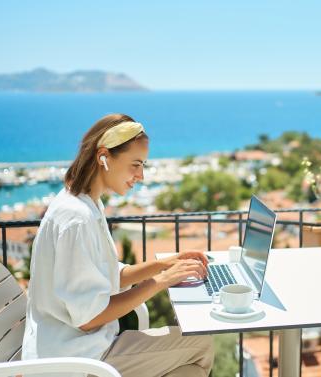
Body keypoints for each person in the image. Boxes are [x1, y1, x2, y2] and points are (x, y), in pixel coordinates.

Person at [22, 113, 214, 377]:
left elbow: (111, 274)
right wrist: (160, 281)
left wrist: (165, 264)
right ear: (104, 157)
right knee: (201, 344)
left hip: (86, 347)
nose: (141, 175)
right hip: (79, 360)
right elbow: (88, 319)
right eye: (135, 164)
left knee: (189, 371)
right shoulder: (77, 218)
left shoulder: (85, 203)